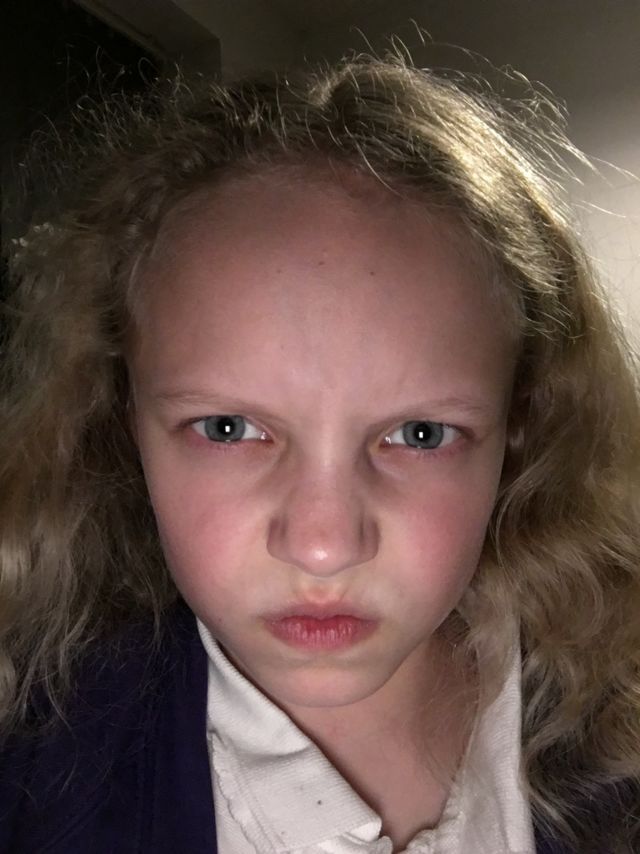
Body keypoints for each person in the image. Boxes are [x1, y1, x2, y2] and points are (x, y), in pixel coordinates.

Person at [0, 53, 638, 854]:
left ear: (522, 423)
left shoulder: (619, 738)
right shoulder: (32, 786)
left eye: (419, 435)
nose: (324, 545)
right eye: (228, 429)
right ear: (123, 420)